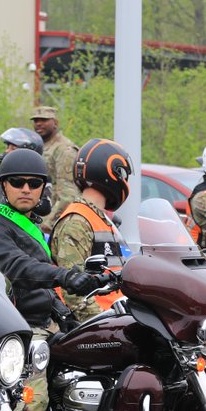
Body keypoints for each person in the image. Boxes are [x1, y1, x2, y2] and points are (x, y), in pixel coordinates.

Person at [0, 149, 104, 411]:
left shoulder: (28, 226)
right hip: (15, 329)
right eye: (17, 182)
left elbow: (42, 285)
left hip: (45, 323)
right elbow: (17, 267)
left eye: (34, 183)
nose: (26, 189)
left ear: (43, 188)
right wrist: (63, 275)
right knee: (32, 405)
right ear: (4, 185)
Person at [51, 138, 133, 323]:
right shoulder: (77, 221)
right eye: (123, 174)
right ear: (113, 173)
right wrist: (106, 325)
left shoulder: (99, 218)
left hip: (119, 315)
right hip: (102, 327)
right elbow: (73, 294)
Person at [31, 105, 79, 231]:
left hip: (56, 223)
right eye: (36, 121)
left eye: (44, 120)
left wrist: (47, 225)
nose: (39, 124)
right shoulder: (41, 147)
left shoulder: (64, 150)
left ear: (55, 123)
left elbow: (68, 195)